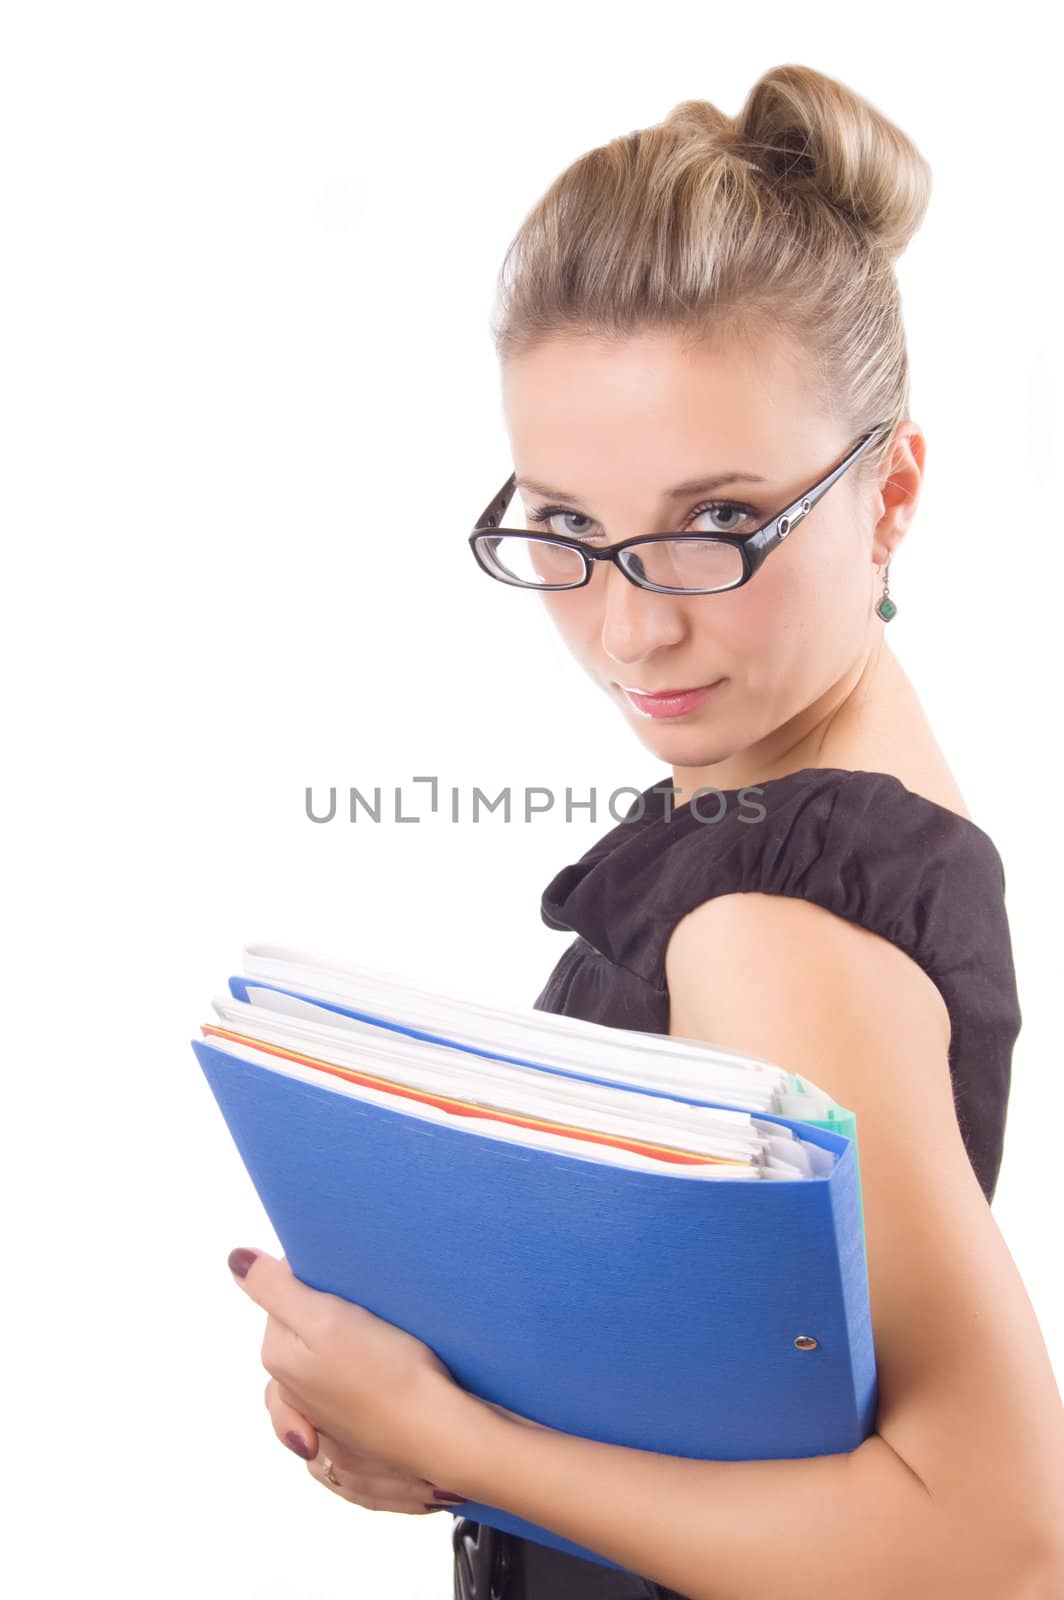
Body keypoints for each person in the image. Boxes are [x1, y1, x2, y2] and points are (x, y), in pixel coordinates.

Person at [230, 62, 1064, 1600]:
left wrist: (452, 1441)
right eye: (565, 530)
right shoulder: (811, 794)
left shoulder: (777, 913)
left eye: (718, 526)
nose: (629, 631)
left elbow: (993, 1546)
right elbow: (762, 1405)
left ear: (891, 496)